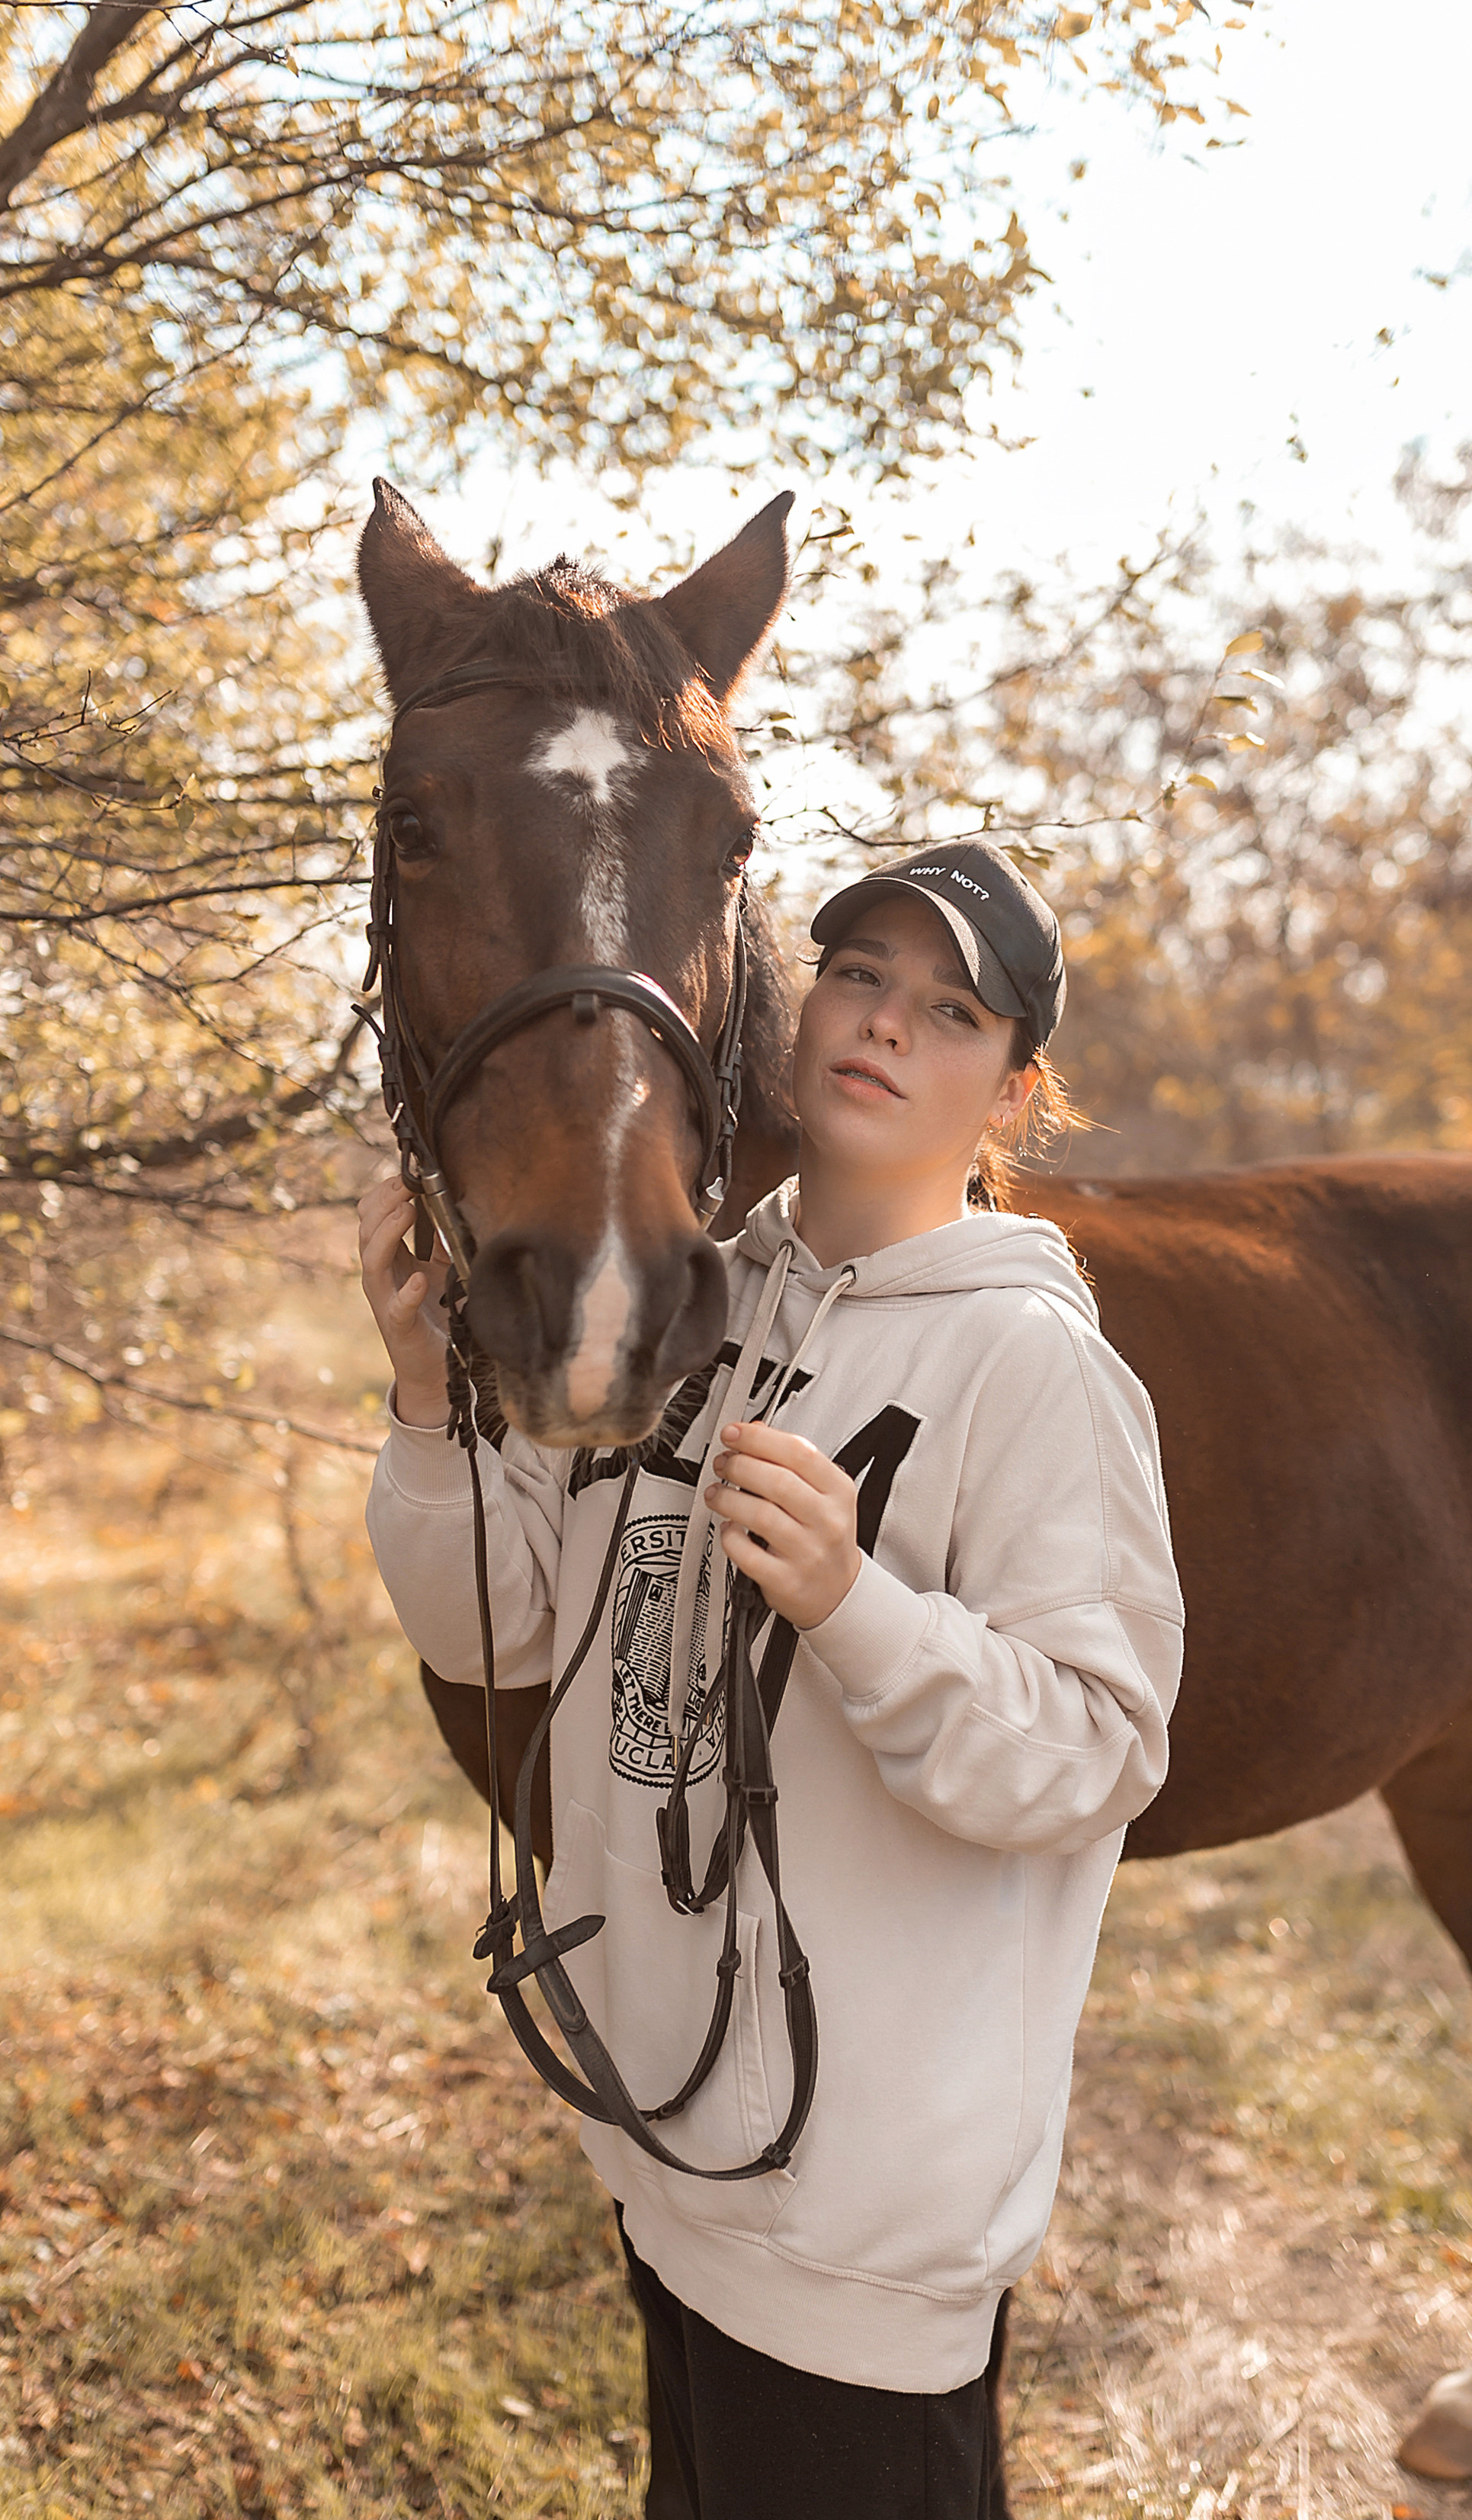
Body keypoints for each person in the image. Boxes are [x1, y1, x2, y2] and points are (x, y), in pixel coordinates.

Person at [359, 841, 1185, 2520]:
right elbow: (491, 1628)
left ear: (1011, 1092)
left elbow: (1095, 1756)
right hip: (660, 2139)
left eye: (949, 1011)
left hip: (860, 2232)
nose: (883, 1023)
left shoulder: (1030, 1365)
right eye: (860, 976)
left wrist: (857, 1608)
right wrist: (417, 1397)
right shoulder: (685, 1302)